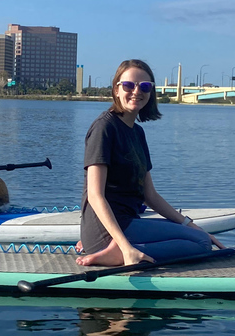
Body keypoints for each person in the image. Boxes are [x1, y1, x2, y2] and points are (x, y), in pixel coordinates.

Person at [77, 59, 224, 266]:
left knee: (199, 237)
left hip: (128, 224)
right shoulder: (104, 128)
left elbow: (150, 196)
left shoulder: (137, 133)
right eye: (128, 85)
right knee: (201, 244)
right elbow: (94, 195)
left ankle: (121, 250)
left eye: (144, 86)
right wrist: (125, 246)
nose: (136, 91)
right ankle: (119, 253)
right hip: (107, 230)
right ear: (116, 90)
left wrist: (190, 225)